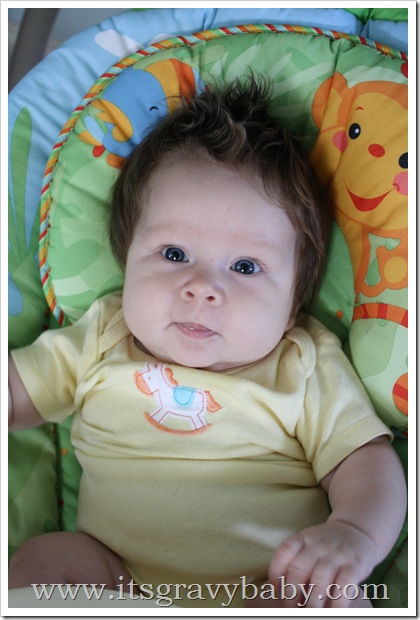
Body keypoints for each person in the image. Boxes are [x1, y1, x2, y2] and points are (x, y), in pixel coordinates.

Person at [8, 76, 406, 608]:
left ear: (292, 305)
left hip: (267, 589)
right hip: (117, 583)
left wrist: (353, 533)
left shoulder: (304, 362)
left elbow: (366, 461)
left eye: (245, 267)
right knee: (48, 559)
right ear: (127, 261)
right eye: (174, 254)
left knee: (332, 602)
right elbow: (17, 391)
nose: (203, 288)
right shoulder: (104, 335)